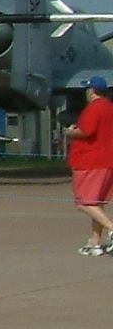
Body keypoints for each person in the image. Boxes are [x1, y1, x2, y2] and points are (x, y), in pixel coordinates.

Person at [68, 75, 113, 255]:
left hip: (90, 162)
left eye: (88, 88)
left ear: (92, 90)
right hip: (106, 161)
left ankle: (111, 228)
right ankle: (94, 241)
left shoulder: (94, 108)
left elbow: (86, 130)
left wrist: (70, 131)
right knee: (96, 202)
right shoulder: (110, 107)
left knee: (84, 202)